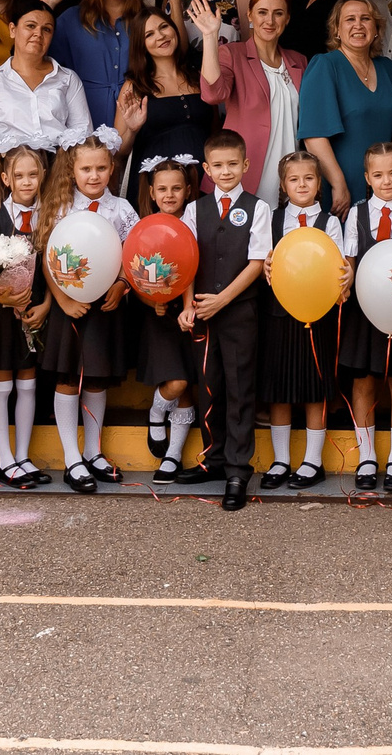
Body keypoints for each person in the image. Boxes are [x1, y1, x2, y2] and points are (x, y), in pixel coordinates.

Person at [181, 129, 273, 511]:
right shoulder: (194, 209)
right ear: (206, 169)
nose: (225, 171)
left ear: (245, 165)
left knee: (239, 390)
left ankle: (238, 469)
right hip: (202, 313)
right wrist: (188, 305)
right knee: (209, 387)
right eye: (217, 165)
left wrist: (222, 300)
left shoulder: (258, 208)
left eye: (233, 164)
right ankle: (214, 460)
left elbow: (256, 262)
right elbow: (184, 259)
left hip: (238, 313)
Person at [41, 135, 137, 492]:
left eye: (100, 168)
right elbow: (47, 259)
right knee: (68, 377)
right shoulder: (62, 208)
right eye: (86, 169)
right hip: (71, 305)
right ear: (73, 170)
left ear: (112, 168)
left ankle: (94, 452)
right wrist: (63, 300)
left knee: (96, 377)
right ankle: (72, 458)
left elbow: (134, 252)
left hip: (106, 306)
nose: (94, 176)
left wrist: (122, 284)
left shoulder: (122, 210)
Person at [336, 141, 392, 493]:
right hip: (364, 308)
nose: (386, 181)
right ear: (367, 178)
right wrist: (345, 278)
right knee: (364, 380)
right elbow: (350, 262)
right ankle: (367, 457)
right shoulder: (356, 216)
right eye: (378, 175)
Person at [260, 151, 338, 489]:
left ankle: (313, 460)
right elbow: (262, 259)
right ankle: (280, 460)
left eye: (308, 178)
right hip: (279, 314)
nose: (301, 184)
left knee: (313, 387)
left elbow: (337, 266)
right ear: (283, 185)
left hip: (317, 316)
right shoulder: (273, 221)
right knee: (279, 388)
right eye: (294, 179)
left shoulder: (330, 222)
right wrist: (265, 267)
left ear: (319, 184)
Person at [131, 156, 205, 484]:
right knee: (176, 381)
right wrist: (152, 300)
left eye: (176, 188)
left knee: (186, 382)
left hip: (191, 313)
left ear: (188, 190)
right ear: (151, 192)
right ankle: (156, 411)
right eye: (162, 189)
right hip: (158, 315)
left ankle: (172, 455)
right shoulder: (145, 228)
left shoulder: (195, 221)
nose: (169, 194)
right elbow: (135, 274)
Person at [0, 145, 51, 489]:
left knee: (28, 382)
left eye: (33, 175)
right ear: (6, 179)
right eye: (19, 176)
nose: (27, 182)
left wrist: (44, 305)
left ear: (42, 177)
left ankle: (23, 456)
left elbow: (53, 267)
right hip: (2, 312)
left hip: (34, 309)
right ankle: (5, 460)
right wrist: (5, 295)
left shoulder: (49, 215)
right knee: (3, 382)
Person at [194, 0, 306, 199]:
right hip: (243, 174)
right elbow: (213, 95)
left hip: (289, 176)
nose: (270, 21)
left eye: (278, 13)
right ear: (250, 14)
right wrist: (210, 36)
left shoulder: (299, 61)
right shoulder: (232, 54)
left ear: (288, 18)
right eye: (262, 12)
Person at [295, 0, 392, 217]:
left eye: (365, 19)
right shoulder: (325, 66)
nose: (358, 25)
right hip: (343, 184)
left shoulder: (388, 69)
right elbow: (314, 137)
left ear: (376, 29)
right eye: (350, 19)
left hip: (386, 185)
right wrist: (338, 183)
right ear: (336, 29)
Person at [0, 2, 114, 156]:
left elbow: (82, 135)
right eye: (31, 26)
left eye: (46, 29)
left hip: (58, 168)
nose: (38, 34)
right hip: (8, 171)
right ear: (12, 29)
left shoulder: (68, 79)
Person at [115, 8, 214, 187]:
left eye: (164, 27)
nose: (161, 36)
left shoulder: (198, 76)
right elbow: (120, 152)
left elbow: (215, 128)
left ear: (174, 30)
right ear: (141, 45)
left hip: (203, 181)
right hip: (158, 188)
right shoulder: (134, 86)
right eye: (149, 34)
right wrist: (132, 129)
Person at [54, 0, 144, 123]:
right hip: (83, 111)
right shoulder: (71, 19)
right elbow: (46, 66)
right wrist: (46, 6)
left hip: (136, 112)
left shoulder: (146, 20)